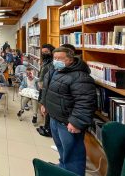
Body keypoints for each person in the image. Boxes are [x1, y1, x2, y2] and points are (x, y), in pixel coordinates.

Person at [41, 47, 96, 176]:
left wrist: (76, 122)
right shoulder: (54, 69)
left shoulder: (79, 76)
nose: (56, 61)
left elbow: (85, 102)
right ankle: (63, 168)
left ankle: (72, 172)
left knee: (73, 154)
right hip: (54, 118)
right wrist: (44, 104)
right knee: (62, 149)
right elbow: (47, 88)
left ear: (70, 60)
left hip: (68, 123)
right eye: (55, 58)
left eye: (60, 58)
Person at [37, 43, 55, 137]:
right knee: (43, 106)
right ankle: (46, 126)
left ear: (52, 52)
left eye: (46, 52)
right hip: (42, 87)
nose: (44, 54)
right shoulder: (44, 62)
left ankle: (48, 129)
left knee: (47, 108)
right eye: (42, 52)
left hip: (48, 88)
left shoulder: (53, 63)